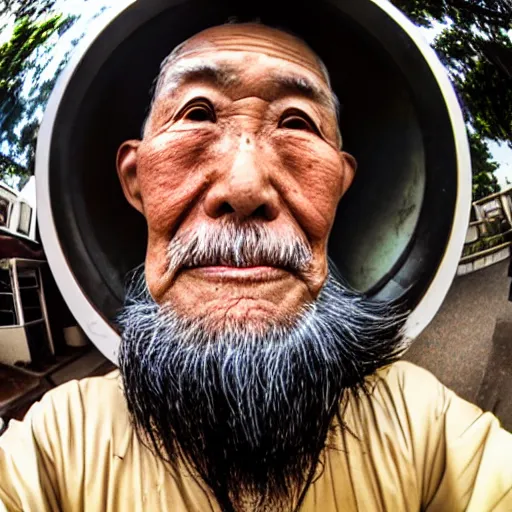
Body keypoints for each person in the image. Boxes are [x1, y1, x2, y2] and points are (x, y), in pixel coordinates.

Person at [1, 22, 511, 512]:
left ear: (339, 185)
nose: (244, 188)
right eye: (197, 114)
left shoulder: (428, 429)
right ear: (135, 180)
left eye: (296, 123)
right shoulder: (53, 446)